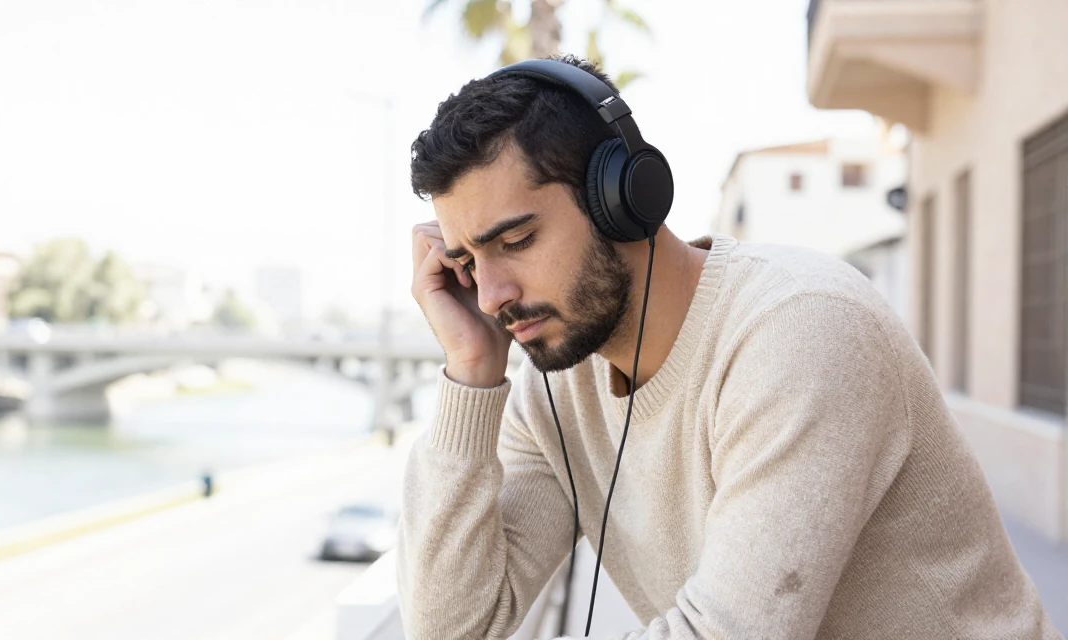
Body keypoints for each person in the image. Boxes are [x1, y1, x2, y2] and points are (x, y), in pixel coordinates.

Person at [398, 55, 1058, 639]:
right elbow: (453, 629)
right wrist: (471, 372)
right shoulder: (557, 389)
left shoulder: (801, 328)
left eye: (515, 242)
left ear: (623, 197)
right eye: (467, 262)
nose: (489, 296)